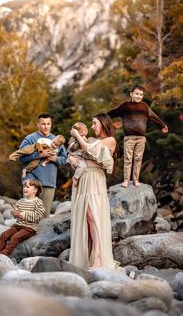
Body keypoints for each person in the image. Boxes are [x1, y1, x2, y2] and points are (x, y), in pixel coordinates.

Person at [69, 113, 118, 270]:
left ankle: (98, 257)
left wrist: (76, 134)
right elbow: (79, 153)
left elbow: (90, 149)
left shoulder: (110, 140)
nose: (91, 127)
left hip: (95, 179)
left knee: (92, 215)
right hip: (84, 178)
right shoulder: (90, 140)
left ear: (103, 124)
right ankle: (86, 258)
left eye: (94, 123)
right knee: (85, 218)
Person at [107, 84, 168, 188]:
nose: (138, 96)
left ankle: (135, 179)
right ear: (131, 94)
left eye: (141, 94)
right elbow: (112, 113)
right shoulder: (125, 106)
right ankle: (126, 180)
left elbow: (154, 116)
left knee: (138, 159)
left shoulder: (144, 106)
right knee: (128, 159)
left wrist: (163, 125)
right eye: (136, 94)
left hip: (141, 138)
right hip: (129, 138)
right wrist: (102, 118)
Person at [18, 114, 67, 217]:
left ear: (51, 124)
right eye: (43, 124)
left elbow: (65, 160)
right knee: (27, 217)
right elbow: (21, 158)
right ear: (38, 125)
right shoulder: (30, 139)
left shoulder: (57, 140)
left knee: (44, 218)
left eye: (48, 124)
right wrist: (38, 155)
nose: (46, 126)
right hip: (31, 183)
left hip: (49, 183)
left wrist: (55, 159)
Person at [0, 179, 45, 256]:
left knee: (15, 238)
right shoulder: (21, 201)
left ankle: (4, 254)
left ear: (35, 190)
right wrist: (14, 213)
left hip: (29, 228)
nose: (24, 188)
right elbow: (16, 210)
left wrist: (22, 214)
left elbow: (38, 216)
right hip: (18, 225)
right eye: (24, 187)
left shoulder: (38, 202)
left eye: (27, 187)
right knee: (4, 235)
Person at [67, 122, 89, 187]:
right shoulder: (73, 138)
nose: (83, 136)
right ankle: (75, 177)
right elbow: (72, 147)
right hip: (75, 157)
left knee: (83, 167)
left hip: (79, 157)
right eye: (82, 133)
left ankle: (78, 176)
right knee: (83, 166)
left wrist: (84, 140)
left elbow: (88, 147)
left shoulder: (83, 138)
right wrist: (80, 141)